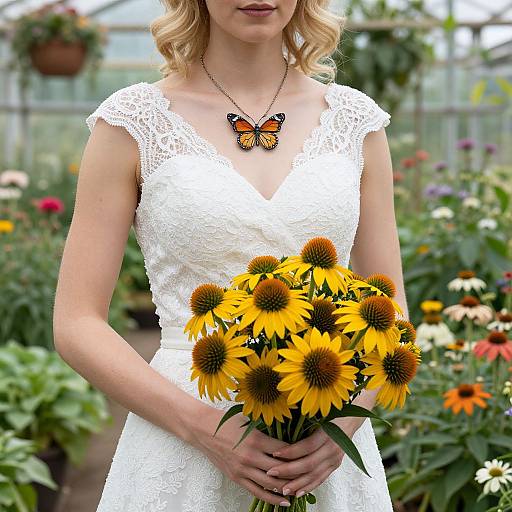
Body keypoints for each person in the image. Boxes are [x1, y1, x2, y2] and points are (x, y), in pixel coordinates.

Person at [53, 1, 407, 510]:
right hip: (181, 438)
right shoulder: (132, 123)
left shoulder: (357, 123)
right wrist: (206, 430)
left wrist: (342, 428)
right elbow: (76, 322)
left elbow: (389, 308)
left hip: (324, 450)